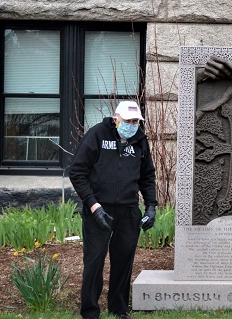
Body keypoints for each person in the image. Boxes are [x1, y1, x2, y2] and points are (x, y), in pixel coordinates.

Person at [69, 100, 158, 319]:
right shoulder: (97, 135)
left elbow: (147, 176)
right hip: (99, 209)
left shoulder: (139, 140)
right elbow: (77, 171)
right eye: (128, 121)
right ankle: (90, 311)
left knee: (123, 261)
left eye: (136, 121)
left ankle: (118, 309)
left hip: (128, 209)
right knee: (94, 260)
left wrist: (151, 207)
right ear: (116, 118)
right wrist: (93, 205)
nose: (132, 124)